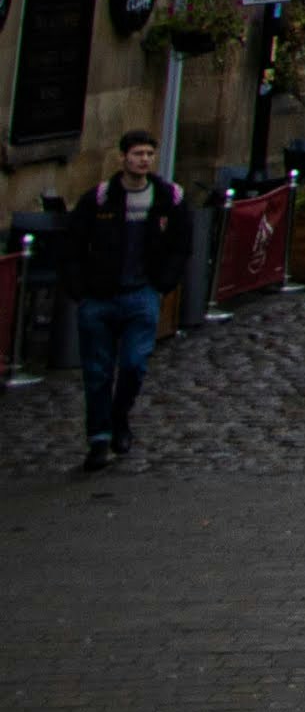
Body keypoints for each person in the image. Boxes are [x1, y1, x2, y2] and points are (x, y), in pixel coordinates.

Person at [58, 130, 189, 472]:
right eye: (137, 154)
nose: (143, 160)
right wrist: (80, 290)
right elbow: (73, 246)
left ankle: (119, 416)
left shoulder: (168, 197)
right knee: (98, 371)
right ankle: (99, 438)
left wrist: (164, 282)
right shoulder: (99, 199)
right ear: (123, 158)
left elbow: (180, 244)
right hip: (99, 297)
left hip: (141, 293)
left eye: (148, 153)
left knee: (134, 363)